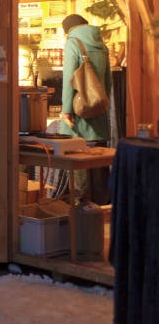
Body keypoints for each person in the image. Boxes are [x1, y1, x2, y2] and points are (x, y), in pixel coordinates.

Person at [60, 13, 112, 203]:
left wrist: (66, 109)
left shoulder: (73, 43)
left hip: (78, 117)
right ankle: (104, 213)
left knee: (79, 170)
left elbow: (68, 80)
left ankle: (81, 216)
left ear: (68, 30)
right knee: (100, 170)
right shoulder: (102, 45)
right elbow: (108, 83)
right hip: (99, 114)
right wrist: (100, 106)